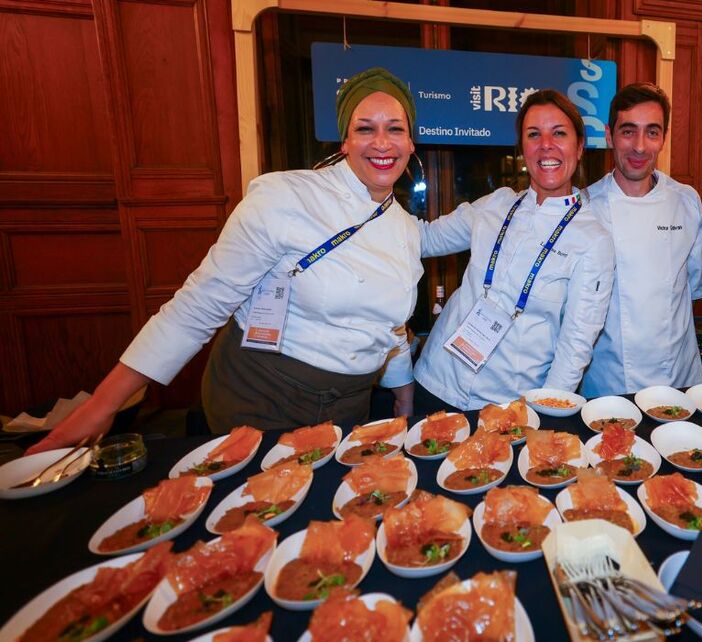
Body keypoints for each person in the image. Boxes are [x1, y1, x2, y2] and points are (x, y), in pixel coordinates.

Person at [27, 67, 424, 454]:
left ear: (410, 143)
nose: (382, 143)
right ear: (344, 142)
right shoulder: (285, 197)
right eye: (365, 128)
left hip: (348, 406)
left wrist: (403, 399)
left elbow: (391, 328)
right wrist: (102, 406)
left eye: (395, 129)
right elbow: (198, 307)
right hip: (262, 397)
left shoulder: (404, 229)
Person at [414, 90, 614, 411]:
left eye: (559, 133)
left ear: (579, 148)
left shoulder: (592, 238)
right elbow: (422, 239)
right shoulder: (496, 204)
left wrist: (545, 414)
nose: (546, 144)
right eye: (534, 134)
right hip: (436, 381)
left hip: (508, 404)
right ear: (522, 148)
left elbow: (574, 346)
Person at [580, 83, 702, 396]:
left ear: (664, 138)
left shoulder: (687, 202)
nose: (640, 146)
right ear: (609, 135)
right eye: (628, 131)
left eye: (652, 132)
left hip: (678, 379)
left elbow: (697, 284)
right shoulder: (584, 207)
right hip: (608, 382)